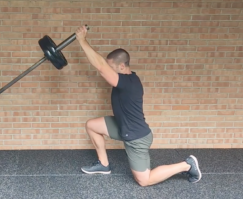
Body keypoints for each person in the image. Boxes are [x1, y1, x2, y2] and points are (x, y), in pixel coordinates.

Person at [74, 25, 202, 186]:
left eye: (111, 67)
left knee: (144, 180)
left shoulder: (128, 83)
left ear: (122, 66)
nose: (109, 71)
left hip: (136, 137)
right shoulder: (129, 79)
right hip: (123, 126)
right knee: (92, 125)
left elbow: (100, 67)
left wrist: (82, 41)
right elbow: (103, 66)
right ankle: (104, 165)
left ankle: (187, 164)